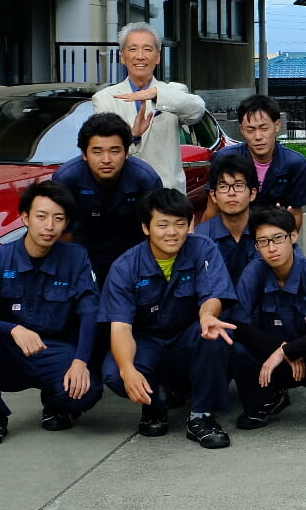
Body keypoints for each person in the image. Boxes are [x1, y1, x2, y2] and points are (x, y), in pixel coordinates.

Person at [0, 181, 102, 446]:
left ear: (66, 223)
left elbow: (90, 313)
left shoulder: (76, 258)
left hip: (53, 349)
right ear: (25, 218)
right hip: (7, 350)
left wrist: (80, 361)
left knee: (87, 392)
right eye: (41, 216)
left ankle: (55, 405)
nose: (49, 226)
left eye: (58, 219)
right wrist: (13, 329)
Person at [99, 188, 238, 449]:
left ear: (190, 225)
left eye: (179, 224)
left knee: (217, 333)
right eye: (162, 224)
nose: (172, 232)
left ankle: (202, 416)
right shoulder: (125, 266)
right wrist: (128, 369)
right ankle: (155, 404)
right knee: (115, 373)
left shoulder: (203, 249)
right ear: (146, 227)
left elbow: (213, 294)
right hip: (146, 341)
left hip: (187, 335)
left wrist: (208, 316)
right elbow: (120, 328)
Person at [227, 207, 306, 434]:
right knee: (237, 349)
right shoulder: (255, 271)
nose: (271, 248)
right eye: (262, 242)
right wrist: (280, 350)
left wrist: (289, 351)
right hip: (270, 356)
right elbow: (239, 324)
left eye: (277, 239)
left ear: (293, 236)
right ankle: (265, 398)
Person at [93, 21, 205, 192]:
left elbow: (197, 110)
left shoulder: (172, 92)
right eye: (132, 49)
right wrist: (133, 135)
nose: (140, 56)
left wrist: (156, 94)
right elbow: (105, 149)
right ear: (122, 57)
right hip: (125, 196)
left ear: (158, 57)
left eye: (147, 49)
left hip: (167, 195)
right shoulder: (104, 98)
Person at [51, 114, 164, 282]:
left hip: (133, 252)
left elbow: (156, 230)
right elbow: (62, 232)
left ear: (126, 153)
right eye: (97, 151)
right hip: (83, 252)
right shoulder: (67, 178)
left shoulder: (145, 178)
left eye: (115, 151)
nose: (106, 160)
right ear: (84, 154)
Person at [229, 94, 306, 231]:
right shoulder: (227, 160)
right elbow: (212, 211)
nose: (258, 137)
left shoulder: (295, 163)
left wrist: (287, 241)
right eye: (250, 130)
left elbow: (296, 213)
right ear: (241, 129)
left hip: (275, 238)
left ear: (277, 126)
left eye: (264, 128)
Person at [197, 152, 260, 283]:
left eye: (238, 185)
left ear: (252, 193)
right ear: (213, 195)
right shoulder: (201, 237)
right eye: (224, 187)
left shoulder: (268, 231)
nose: (231, 193)